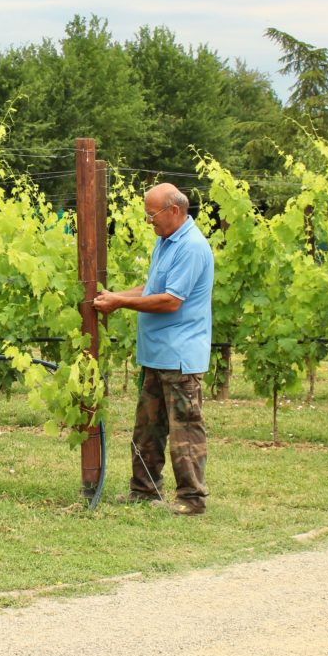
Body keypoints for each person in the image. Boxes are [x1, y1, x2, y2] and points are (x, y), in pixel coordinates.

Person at [94, 183, 214, 515]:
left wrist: (120, 303)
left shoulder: (190, 247)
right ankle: (144, 490)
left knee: (184, 428)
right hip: (157, 352)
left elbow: (171, 301)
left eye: (152, 214)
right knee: (148, 426)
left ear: (175, 210)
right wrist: (116, 296)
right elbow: (151, 288)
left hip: (180, 355)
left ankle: (192, 498)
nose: (149, 221)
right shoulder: (166, 242)